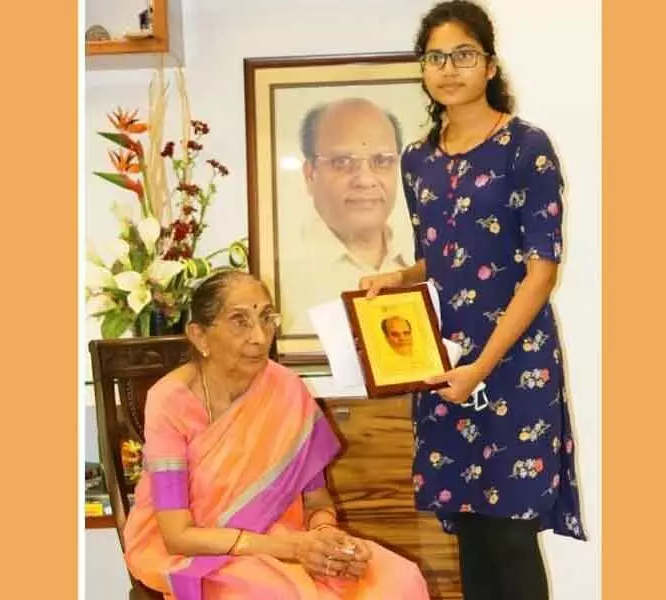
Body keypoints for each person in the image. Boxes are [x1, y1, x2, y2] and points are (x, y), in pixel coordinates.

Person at [359, 2, 587, 599]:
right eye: (435, 57)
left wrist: (480, 367)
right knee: (470, 532)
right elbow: (443, 253)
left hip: (515, 363)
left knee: (511, 535)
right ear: (423, 70)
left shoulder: (526, 147)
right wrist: (398, 280)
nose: (449, 68)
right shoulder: (417, 160)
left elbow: (541, 272)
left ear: (489, 65)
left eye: (463, 54)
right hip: (444, 358)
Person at [122, 269, 431, 599]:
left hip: (288, 541)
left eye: (267, 318)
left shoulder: (286, 388)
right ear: (199, 335)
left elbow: (317, 501)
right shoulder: (169, 400)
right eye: (240, 321)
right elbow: (177, 535)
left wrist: (326, 539)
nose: (259, 336)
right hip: (204, 554)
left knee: (400, 580)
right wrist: (291, 548)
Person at [278, 97, 416, 335]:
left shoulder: (422, 258)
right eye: (342, 162)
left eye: (381, 161)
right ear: (310, 174)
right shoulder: (281, 276)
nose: (365, 180)